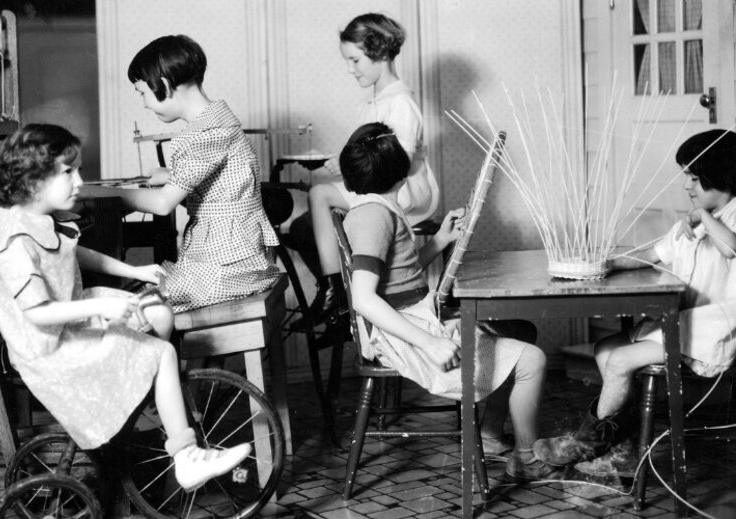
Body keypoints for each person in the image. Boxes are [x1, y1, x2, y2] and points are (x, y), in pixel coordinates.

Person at [0, 124, 251, 491]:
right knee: (162, 354)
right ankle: (186, 455)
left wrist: (133, 270)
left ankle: (148, 399)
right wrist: (107, 306)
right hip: (50, 349)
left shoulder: (32, 216)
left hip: (67, 324)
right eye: (68, 172)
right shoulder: (14, 239)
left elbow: (71, 252)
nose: (79, 181)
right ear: (31, 181)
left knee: (156, 310)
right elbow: (36, 313)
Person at [340, 122, 556, 481]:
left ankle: (488, 435)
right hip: (407, 336)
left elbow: (399, 274)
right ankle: (527, 458)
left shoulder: (378, 210)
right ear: (402, 169)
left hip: (415, 319)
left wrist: (440, 241)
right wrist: (431, 342)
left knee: (521, 330)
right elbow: (364, 298)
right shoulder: (373, 217)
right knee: (532, 360)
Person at [534, 129, 736, 477]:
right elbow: (652, 255)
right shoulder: (691, 221)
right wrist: (606, 263)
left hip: (716, 328)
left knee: (621, 361)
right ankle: (624, 443)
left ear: (720, 173)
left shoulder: (723, 218)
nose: (687, 185)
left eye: (694, 176)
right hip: (686, 321)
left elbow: (732, 247)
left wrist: (704, 219)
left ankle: (588, 442)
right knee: (605, 349)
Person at [81, 34, 280, 313]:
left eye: (142, 92)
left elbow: (163, 204)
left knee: (134, 304)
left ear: (162, 85)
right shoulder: (219, 119)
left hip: (227, 265)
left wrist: (100, 192)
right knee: (143, 296)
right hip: (240, 255)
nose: (144, 104)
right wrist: (172, 175)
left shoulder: (203, 135)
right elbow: (219, 179)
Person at [283, 13, 440, 330]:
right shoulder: (376, 101)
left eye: (355, 60)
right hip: (385, 184)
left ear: (380, 52)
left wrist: (343, 164)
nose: (349, 69)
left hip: (404, 189)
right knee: (302, 227)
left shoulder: (401, 103)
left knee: (319, 194)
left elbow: (397, 164)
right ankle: (339, 294)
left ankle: (336, 293)